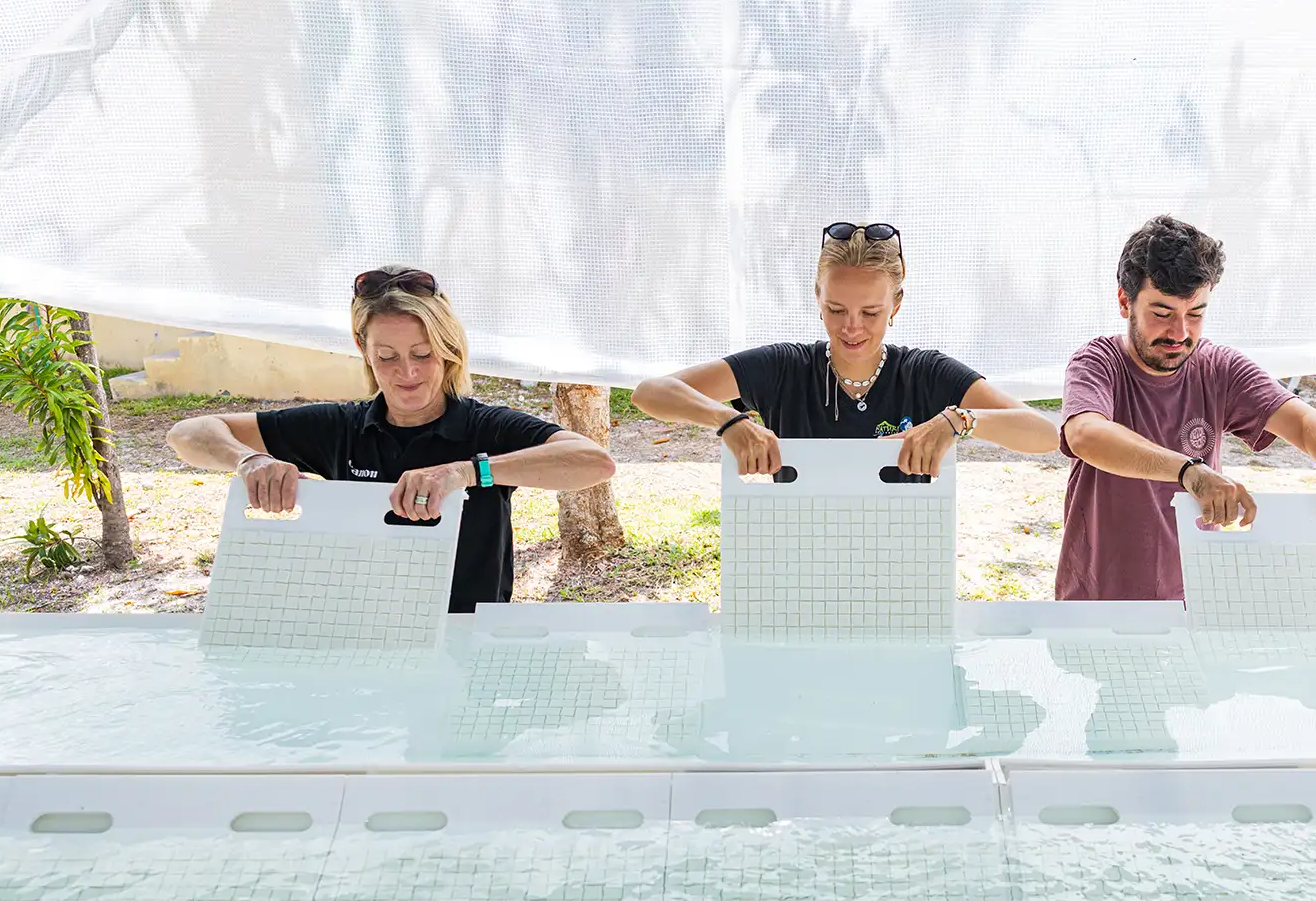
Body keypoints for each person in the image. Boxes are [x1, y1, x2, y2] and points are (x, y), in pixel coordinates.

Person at [166, 266, 616, 613]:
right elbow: (188, 433)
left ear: (449, 349)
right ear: (362, 349)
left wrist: (467, 472)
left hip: (466, 638)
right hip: (361, 636)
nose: (407, 372)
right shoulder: (339, 427)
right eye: (387, 356)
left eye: (423, 354)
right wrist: (249, 461)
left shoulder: (485, 428)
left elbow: (594, 462)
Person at [1058, 215, 1316, 602]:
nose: (1180, 333)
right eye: (1162, 314)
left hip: (1195, 601)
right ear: (1125, 302)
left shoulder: (1219, 368)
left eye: (1195, 314)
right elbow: (1086, 434)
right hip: (1096, 601)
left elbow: (1302, 420)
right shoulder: (1098, 362)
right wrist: (1189, 472)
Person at [631, 222, 1057, 475]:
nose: (852, 327)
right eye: (836, 309)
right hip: (795, 559)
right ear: (818, 299)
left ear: (896, 306)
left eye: (870, 312)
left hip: (904, 561)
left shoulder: (925, 373)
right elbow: (650, 393)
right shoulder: (784, 368)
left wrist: (959, 420)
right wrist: (728, 420)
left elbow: (1043, 434)